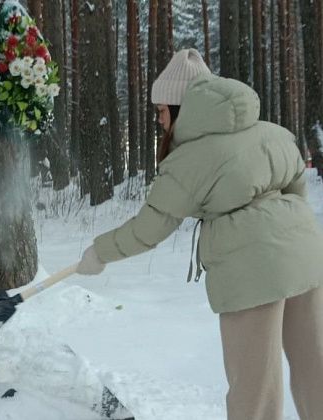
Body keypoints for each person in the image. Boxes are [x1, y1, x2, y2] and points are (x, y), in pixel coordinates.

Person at [76, 48, 323, 420]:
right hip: (306, 256)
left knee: (254, 388)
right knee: (314, 366)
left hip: (250, 272)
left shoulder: (188, 162)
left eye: (161, 111)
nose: (159, 120)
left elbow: (148, 229)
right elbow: (297, 185)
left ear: (181, 107)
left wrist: (100, 253)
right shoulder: (270, 132)